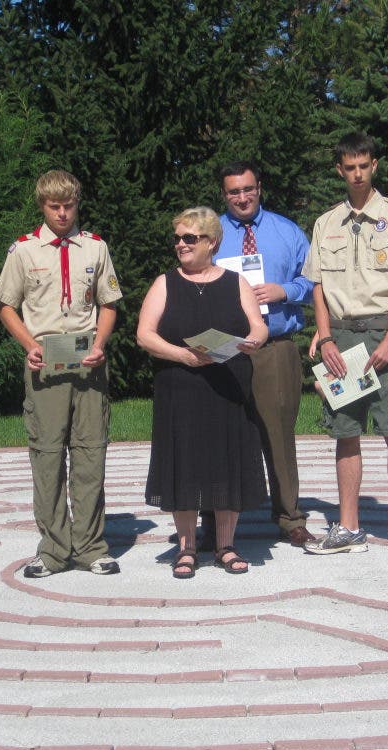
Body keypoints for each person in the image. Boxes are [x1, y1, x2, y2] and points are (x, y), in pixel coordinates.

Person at [302, 131, 388, 563]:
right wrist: (324, 338)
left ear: (375, 165)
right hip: (341, 338)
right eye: (349, 167)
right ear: (340, 170)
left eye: (364, 166)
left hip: (383, 335)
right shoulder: (326, 223)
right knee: (346, 432)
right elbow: (317, 285)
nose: (357, 174)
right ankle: (350, 525)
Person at [0, 170, 122, 578]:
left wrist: (100, 344)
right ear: (42, 206)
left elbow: (109, 302)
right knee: (48, 457)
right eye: (54, 206)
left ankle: (90, 547)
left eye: (69, 205)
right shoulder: (24, 251)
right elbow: (6, 306)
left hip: (87, 364)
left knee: (89, 454)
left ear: (77, 203)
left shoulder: (95, 248)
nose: (63, 213)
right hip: (44, 363)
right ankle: (53, 549)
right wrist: (29, 345)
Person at [137, 207, 269, 578]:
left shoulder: (236, 282)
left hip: (228, 386)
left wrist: (253, 341)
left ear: (211, 242)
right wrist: (181, 355)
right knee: (185, 462)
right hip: (181, 387)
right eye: (177, 237)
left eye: (189, 238)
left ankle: (226, 545)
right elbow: (144, 334)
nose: (181, 244)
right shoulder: (165, 283)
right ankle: (187, 547)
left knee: (227, 460)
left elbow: (258, 326)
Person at [207, 161, 315, 548]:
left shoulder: (287, 231)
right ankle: (214, 523)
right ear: (225, 195)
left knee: (279, 435)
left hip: (275, 348)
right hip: (226, 349)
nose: (242, 197)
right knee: (219, 435)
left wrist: (283, 291)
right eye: (234, 192)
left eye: (248, 189)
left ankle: (290, 517)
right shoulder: (212, 234)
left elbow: (313, 280)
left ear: (259, 188)